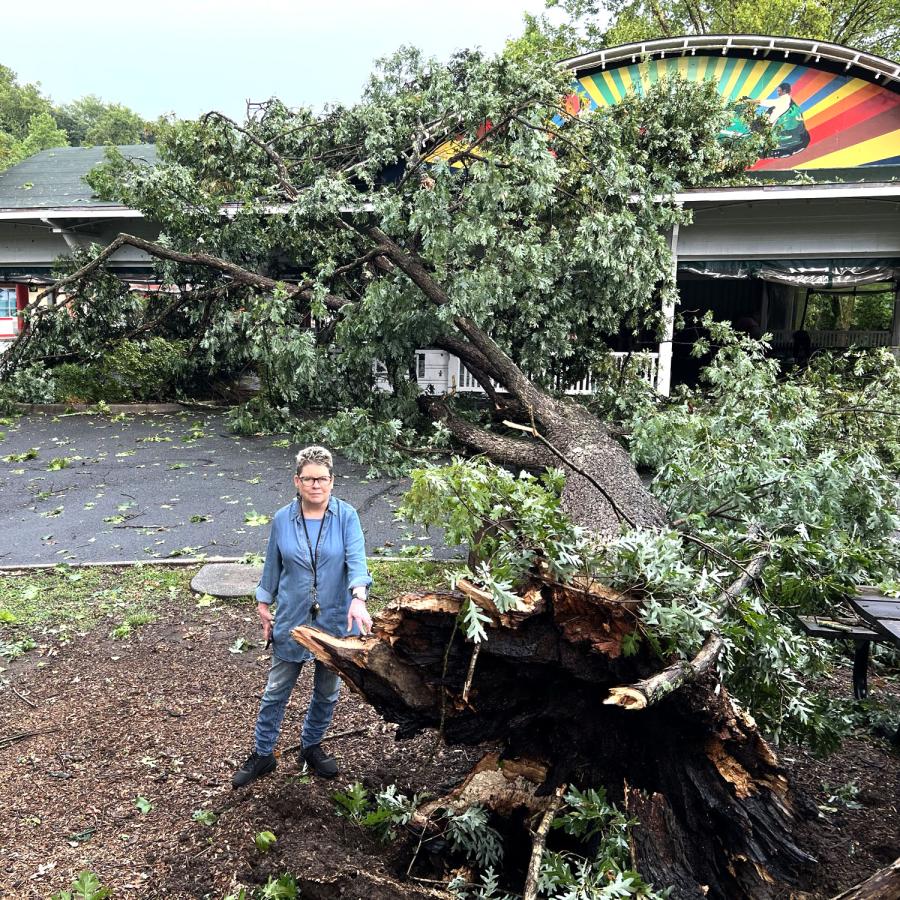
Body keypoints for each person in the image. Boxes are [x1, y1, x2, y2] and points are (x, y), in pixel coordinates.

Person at [232, 445, 372, 787]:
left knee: (327, 691)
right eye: (309, 479)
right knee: (276, 690)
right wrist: (263, 603)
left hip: (335, 619)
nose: (315, 485)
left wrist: (358, 598)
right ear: (297, 481)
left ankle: (311, 746)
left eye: (322, 479)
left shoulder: (346, 516)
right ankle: (263, 754)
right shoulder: (283, 519)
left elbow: (357, 562)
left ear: (332, 481)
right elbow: (272, 565)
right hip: (292, 618)